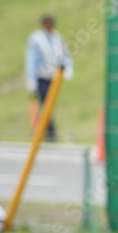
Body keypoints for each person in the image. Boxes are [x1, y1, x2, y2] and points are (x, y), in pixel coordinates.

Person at [24, 14, 73, 142]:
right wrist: (31, 79)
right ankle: (48, 132)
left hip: (54, 77)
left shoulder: (57, 37)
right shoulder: (36, 38)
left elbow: (64, 54)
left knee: (49, 105)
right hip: (41, 77)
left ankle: (46, 131)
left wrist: (68, 67)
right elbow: (31, 59)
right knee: (45, 104)